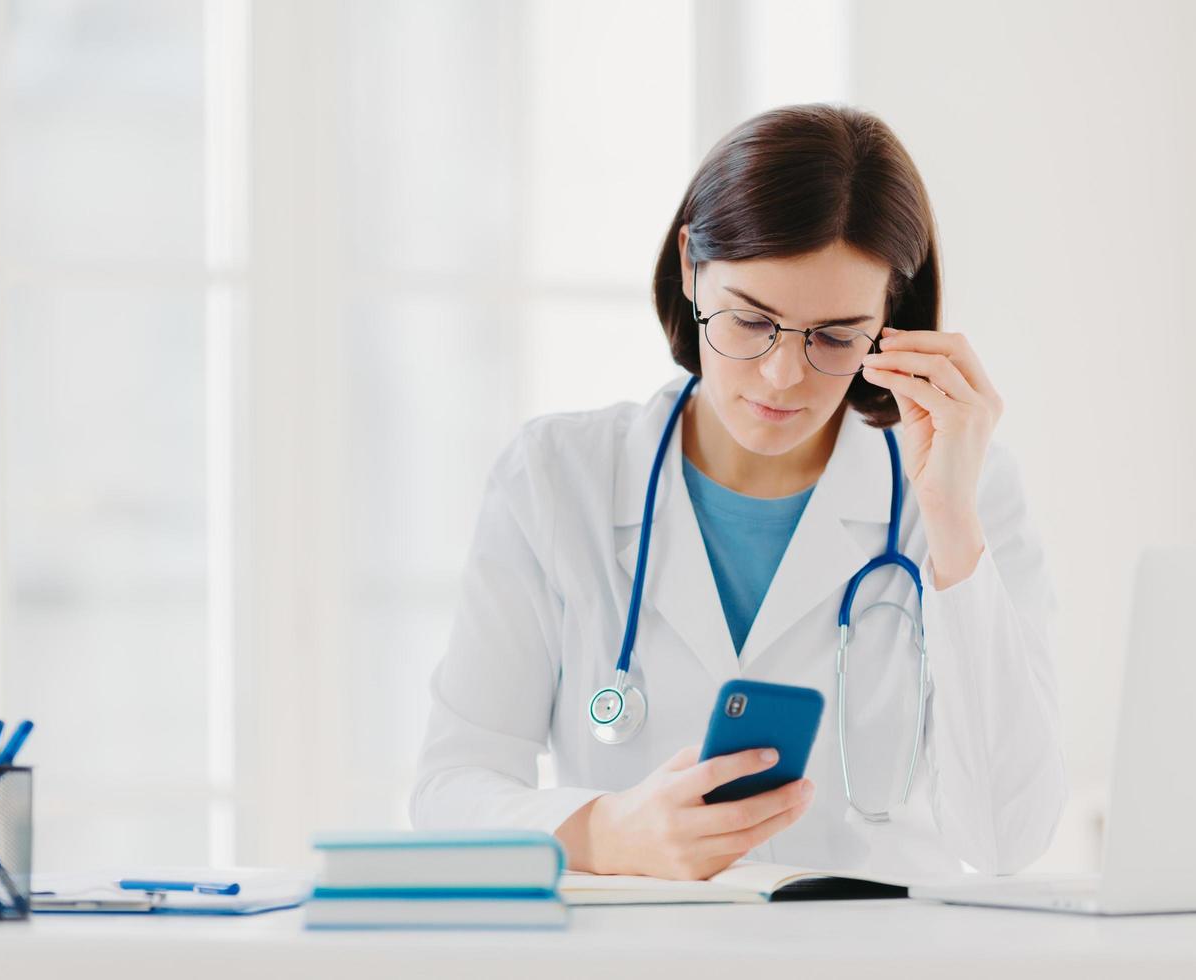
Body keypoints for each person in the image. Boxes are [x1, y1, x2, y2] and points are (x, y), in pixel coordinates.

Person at [410, 104, 1065, 880]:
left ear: (892, 317)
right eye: (751, 321)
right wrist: (602, 832)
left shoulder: (965, 487)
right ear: (691, 267)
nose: (784, 375)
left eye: (835, 336)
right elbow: (451, 789)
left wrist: (953, 524)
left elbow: (1005, 841)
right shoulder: (558, 477)